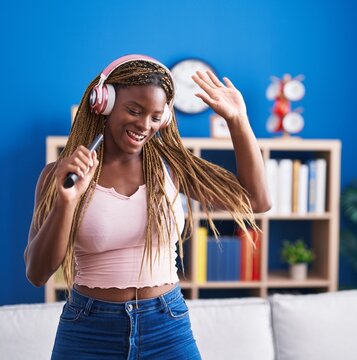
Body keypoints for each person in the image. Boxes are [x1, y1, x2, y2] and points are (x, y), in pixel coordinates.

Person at [24, 54, 271, 359]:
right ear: (104, 102)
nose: (144, 125)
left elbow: (256, 201)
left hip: (166, 326)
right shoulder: (61, 175)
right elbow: (37, 273)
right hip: (88, 329)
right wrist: (67, 202)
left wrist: (238, 120)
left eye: (156, 116)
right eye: (134, 110)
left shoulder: (171, 167)